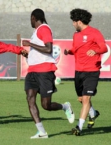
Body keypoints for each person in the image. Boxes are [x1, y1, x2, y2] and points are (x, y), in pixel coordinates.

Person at [21, 8, 75, 139]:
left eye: (31, 19)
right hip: (32, 71)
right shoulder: (36, 32)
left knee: (46, 105)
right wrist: (28, 54)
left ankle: (65, 107)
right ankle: (42, 132)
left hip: (45, 72)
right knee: (30, 99)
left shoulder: (44, 29)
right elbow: (38, 52)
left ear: (33, 18)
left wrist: (30, 44)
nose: (30, 21)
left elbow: (48, 49)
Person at [65, 8, 107, 136]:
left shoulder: (95, 32)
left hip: (92, 71)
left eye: (74, 21)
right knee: (81, 99)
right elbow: (76, 48)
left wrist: (95, 51)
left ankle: (79, 127)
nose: (73, 24)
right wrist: (69, 51)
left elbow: (104, 47)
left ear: (79, 21)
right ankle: (93, 113)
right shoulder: (76, 35)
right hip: (78, 71)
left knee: (86, 98)